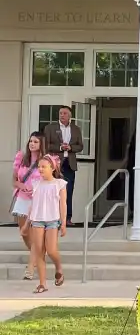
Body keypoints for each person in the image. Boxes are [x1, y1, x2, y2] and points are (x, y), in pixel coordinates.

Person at [28, 154, 67, 294]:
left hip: (52, 220)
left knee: (51, 250)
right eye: (39, 167)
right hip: (37, 220)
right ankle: (42, 283)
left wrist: (63, 223)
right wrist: (28, 222)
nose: (40, 169)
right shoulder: (36, 184)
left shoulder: (59, 184)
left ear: (52, 167)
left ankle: (59, 268)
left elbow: (63, 205)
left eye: (43, 167)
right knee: (39, 251)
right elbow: (33, 204)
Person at [11, 131, 46, 279]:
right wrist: (22, 185)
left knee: (35, 233)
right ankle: (38, 254)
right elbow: (14, 181)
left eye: (36, 142)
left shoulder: (47, 160)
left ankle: (31, 268)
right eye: (31, 141)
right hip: (22, 198)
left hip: (37, 200)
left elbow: (50, 181)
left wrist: (36, 188)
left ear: (41, 144)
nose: (32, 144)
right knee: (24, 232)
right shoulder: (21, 157)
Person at [43, 105, 83, 227]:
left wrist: (71, 148)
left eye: (65, 113)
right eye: (61, 113)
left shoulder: (75, 129)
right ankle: (52, 218)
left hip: (69, 163)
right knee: (53, 191)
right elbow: (45, 145)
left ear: (70, 116)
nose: (62, 115)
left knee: (68, 191)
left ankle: (67, 218)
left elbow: (80, 146)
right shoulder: (50, 128)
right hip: (55, 164)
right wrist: (60, 148)